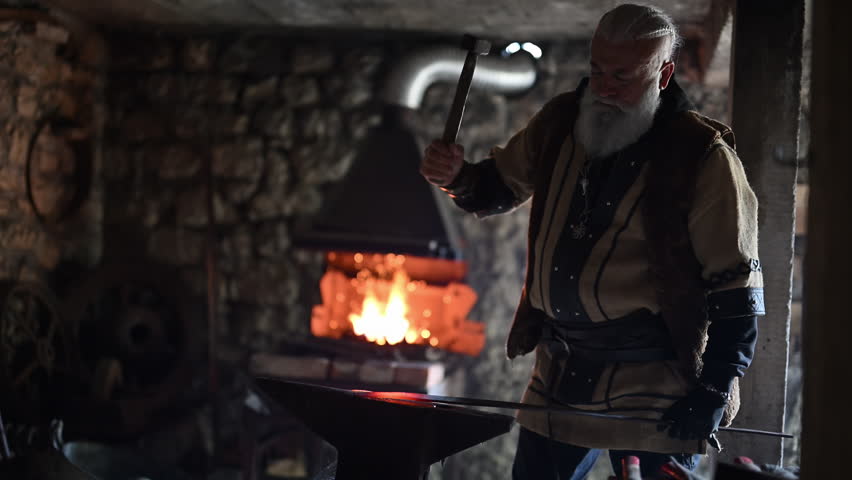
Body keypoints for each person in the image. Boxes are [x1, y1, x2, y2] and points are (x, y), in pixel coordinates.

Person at [420, 4, 765, 479]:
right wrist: (457, 176)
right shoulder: (561, 120)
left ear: (664, 74)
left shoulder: (703, 156)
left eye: (623, 77)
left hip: (656, 385)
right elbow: (497, 187)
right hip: (560, 374)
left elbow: (735, 288)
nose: (603, 88)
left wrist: (715, 388)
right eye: (597, 70)